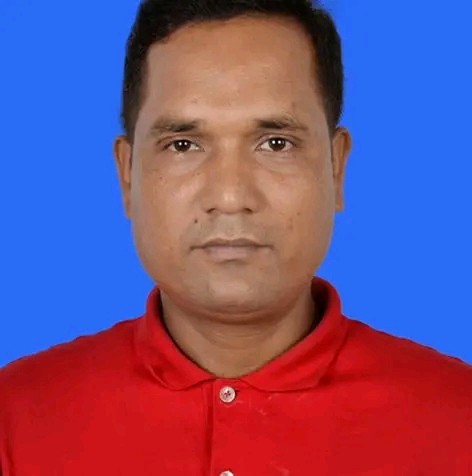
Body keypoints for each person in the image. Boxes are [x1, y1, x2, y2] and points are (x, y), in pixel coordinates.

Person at [1, 0, 471, 474]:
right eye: (183, 144)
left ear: (336, 167)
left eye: (276, 144)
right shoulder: (15, 419)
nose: (229, 197)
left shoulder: (459, 420)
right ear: (127, 175)